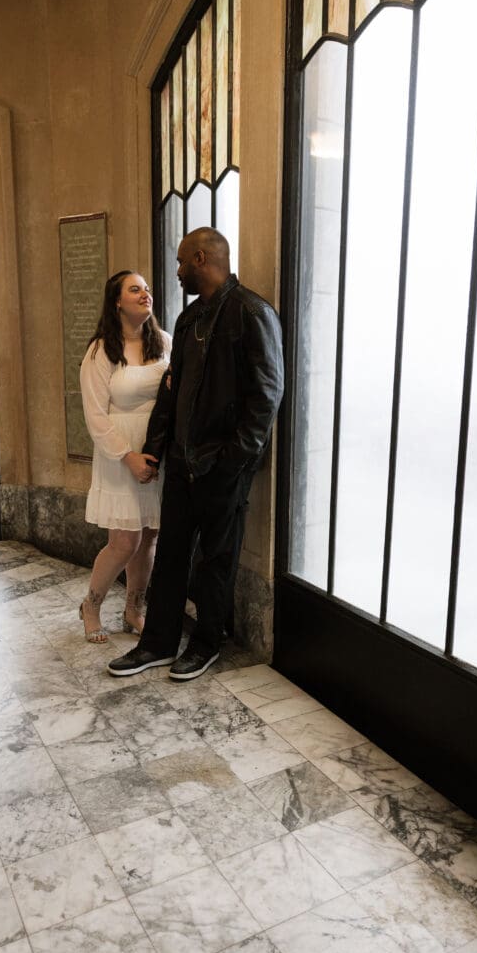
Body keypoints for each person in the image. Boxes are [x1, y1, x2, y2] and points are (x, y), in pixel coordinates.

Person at [108, 228, 284, 680]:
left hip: (223, 468)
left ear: (201, 259)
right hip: (182, 464)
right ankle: (158, 644)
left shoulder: (252, 312)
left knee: (215, 562)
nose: (178, 271)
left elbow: (266, 397)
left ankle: (206, 645)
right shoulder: (188, 320)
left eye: (182, 261)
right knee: (170, 556)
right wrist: (155, 449)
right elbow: (172, 391)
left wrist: (232, 462)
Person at [79, 270, 171, 642]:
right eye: (135, 289)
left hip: (156, 450)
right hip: (120, 454)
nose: (145, 293)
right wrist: (128, 456)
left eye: (147, 288)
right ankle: (91, 606)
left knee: (149, 537)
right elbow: (95, 416)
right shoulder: (101, 350)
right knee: (124, 542)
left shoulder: (164, 343)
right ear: (117, 301)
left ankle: (134, 610)